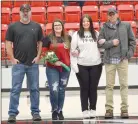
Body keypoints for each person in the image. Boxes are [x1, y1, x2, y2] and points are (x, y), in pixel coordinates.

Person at [6, 4, 43, 122]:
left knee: (34, 89)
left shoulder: (37, 26)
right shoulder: (13, 27)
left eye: (27, 11)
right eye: (23, 11)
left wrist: (38, 56)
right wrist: (12, 58)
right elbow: (8, 43)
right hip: (18, 64)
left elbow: (40, 42)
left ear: (30, 12)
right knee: (15, 89)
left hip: (33, 64)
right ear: (19, 12)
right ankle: (12, 113)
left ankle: (35, 112)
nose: (25, 13)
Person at [98, 8, 136, 119]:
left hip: (122, 60)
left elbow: (132, 41)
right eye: (109, 14)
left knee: (124, 85)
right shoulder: (104, 27)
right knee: (109, 86)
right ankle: (109, 109)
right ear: (107, 16)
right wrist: (111, 43)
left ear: (117, 14)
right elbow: (100, 43)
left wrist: (128, 54)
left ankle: (124, 109)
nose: (112, 16)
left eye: (113, 14)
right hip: (109, 61)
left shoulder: (126, 25)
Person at [70, 14, 102, 119]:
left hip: (96, 65)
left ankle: (93, 109)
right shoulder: (77, 34)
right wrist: (74, 66)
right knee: (84, 88)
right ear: (81, 23)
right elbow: (72, 51)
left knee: (93, 88)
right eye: (83, 21)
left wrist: (104, 44)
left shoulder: (96, 34)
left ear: (90, 23)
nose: (85, 23)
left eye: (87, 21)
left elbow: (102, 48)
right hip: (82, 65)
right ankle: (84, 110)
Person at [42, 19, 71, 120]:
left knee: (61, 90)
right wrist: (54, 61)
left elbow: (73, 50)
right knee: (54, 90)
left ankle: (60, 110)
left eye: (59, 25)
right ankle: (54, 110)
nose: (57, 27)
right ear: (53, 27)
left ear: (62, 26)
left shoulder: (68, 38)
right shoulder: (48, 38)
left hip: (66, 68)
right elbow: (44, 52)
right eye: (55, 25)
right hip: (52, 68)